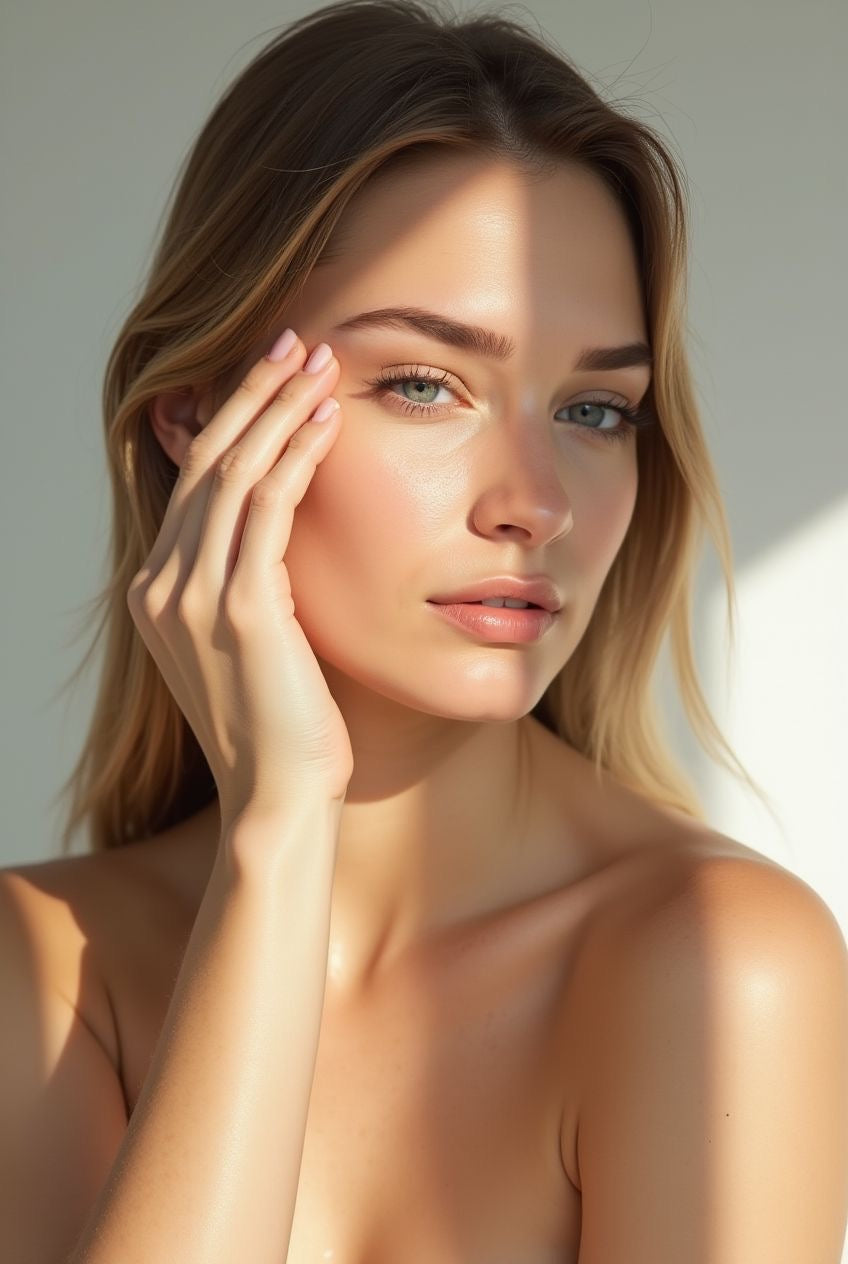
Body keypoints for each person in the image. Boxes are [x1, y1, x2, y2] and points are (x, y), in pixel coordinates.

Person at [3, 1, 847, 1261]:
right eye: (422, 384)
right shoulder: (43, 966)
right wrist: (278, 840)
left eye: (594, 410)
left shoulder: (715, 965)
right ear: (197, 419)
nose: (536, 502)